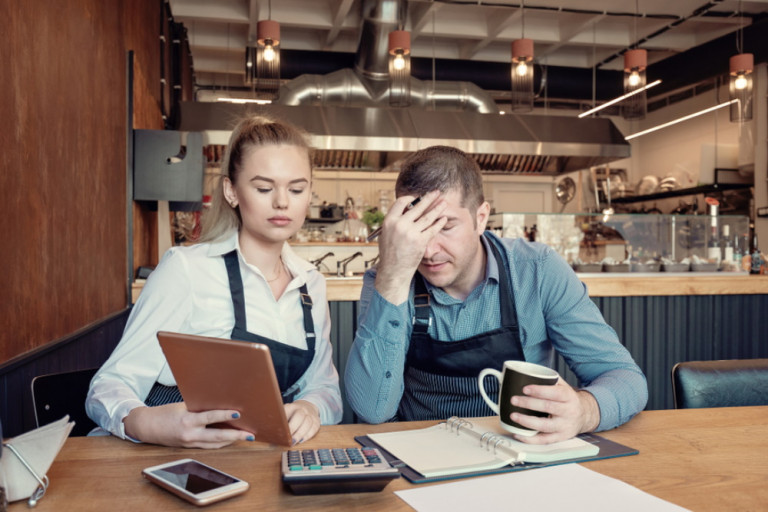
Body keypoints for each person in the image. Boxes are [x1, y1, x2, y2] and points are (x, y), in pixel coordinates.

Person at [344, 145, 647, 445]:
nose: (428, 250)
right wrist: (393, 277)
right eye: (417, 229)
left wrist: (585, 411)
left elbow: (624, 377)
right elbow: (372, 409)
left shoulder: (537, 270)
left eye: (446, 226)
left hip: (519, 454)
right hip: (420, 455)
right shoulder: (388, 279)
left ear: (481, 217)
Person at [87, 115, 342, 448]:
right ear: (231, 191)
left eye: (296, 188)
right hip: (174, 460)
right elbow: (108, 385)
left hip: (262, 460)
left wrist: (312, 407)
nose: (282, 201)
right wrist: (147, 424)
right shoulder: (187, 270)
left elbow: (324, 388)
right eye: (264, 188)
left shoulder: (311, 284)